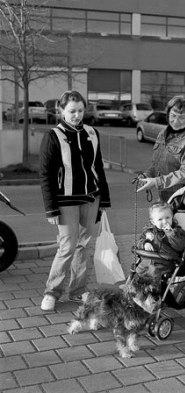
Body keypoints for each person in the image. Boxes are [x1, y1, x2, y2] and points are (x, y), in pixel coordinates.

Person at [39, 90, 111, 311]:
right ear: (61, 111)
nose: (77, 115)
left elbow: (98, 167)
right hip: (65, 200)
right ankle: (52, 292)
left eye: (80, 110)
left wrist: (104, 201)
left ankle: (78, 292)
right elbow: (46, 175)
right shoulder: (53, 136)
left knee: (85, 245)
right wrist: (51, 209)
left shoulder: (92, 133)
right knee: (68, 246)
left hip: (92, 198)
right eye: (72, 111)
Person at [137, 95, 185, 201]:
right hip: (164, 197)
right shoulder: (162, 134)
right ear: (168, 114)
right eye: (173, 115)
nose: (176, 120)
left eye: (181, 117)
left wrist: (157, 182)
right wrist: (146, 176)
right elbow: (156, 164)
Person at [135, 202, 185, 278]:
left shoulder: (178, 232)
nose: (165, 221)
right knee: (137, 271)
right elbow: (139, 242)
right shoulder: (149, 232)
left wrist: (171, 234)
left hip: (165, 262)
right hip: (147, 261)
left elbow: (181, 246)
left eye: (168, 218)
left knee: (153, 272)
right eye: (160, 219)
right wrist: (145, 243)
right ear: (153, 222)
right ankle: (134, 287)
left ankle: (150, 289)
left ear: (172, 218)